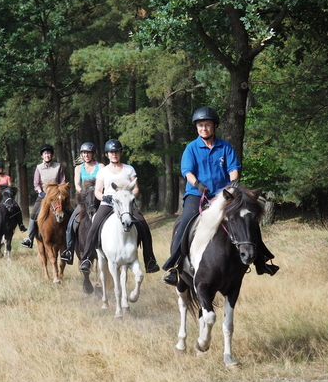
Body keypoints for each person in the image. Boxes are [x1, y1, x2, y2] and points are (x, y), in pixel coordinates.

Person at [162, 107, 279, 286]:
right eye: (200, 125)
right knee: (184, 221)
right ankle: (175, 265)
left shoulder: (225, 146)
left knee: (248, 219)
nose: (204, 128)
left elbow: (233, 168)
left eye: (207, 125)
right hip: (197, 194)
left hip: (224, 196)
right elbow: (187, 171)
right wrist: (198, 185)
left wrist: (233, 185)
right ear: (197, 128)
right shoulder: (191, 148)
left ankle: (261, 260)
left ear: (214, 126)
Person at [78, 139, 160, 274]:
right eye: (111, 152)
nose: (114, 154)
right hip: (108, 204)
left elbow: (136, 189)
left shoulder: (129, 169)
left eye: (116, 152)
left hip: (126, 204)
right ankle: (86, 258)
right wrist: (104, 197)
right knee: (94, 226)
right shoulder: (103, 171)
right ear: (107, 154)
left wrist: (129, 195)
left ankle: (150, 260)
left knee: (143, 225)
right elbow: (98, 191)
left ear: (120, 153)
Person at [60, 142, 103, 264]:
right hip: (85, 200)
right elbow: (77, 185)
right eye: (84, 153)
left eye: (88, 153)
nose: (86, 155)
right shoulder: (78, 168)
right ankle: (69, 250)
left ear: (93, 154)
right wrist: (84, 192)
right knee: (72, 222)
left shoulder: (100, 166)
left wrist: (97, 192)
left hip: (99, 199)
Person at [20, 144, 66, 248]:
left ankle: (71, 238)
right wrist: (40, 192)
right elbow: (36, 184)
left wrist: (59, 192)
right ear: (42, 156)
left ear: (52, 154)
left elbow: (62, 182)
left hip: (56, 196)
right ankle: (29, 238)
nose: (47, 155)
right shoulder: (39, 168)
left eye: (49, 153)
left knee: (69, 211)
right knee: (34, 214)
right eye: (45, 153)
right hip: (43, 196)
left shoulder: (58, 166)